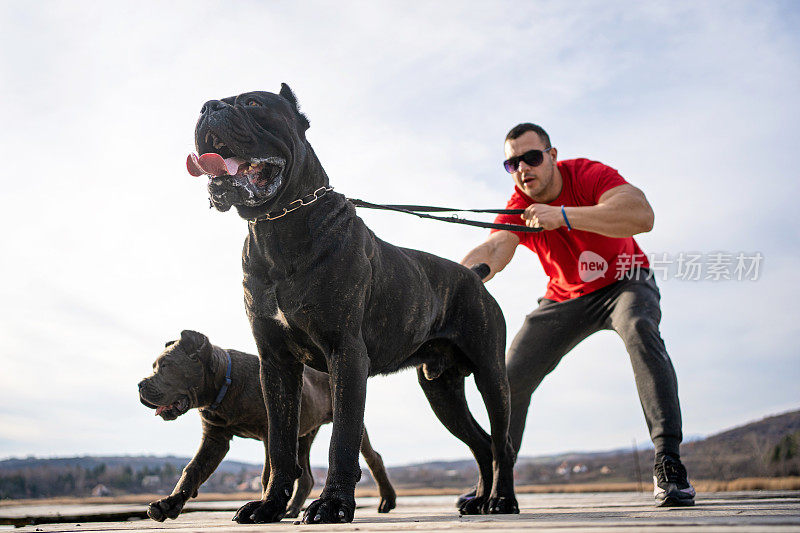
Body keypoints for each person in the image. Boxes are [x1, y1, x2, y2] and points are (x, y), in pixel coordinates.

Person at [460, 123, 695, 507]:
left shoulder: (588, 174)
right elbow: (494, 249)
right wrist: (453, 287)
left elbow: (641, 215)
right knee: (510, 376)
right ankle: (498, 477)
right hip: (564, 297)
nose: (522, 169)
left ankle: (668, 463)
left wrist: (565, 215)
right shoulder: (519, 207)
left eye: (531, 158)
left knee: (639, 329)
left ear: (552, 157)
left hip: (625, 282)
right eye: (511, 163)